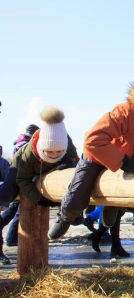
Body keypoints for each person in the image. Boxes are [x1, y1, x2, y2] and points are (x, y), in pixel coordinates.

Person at [48, 68, 134, 259]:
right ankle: (65, 218)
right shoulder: (125, 111)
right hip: (99, 158)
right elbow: (93, 140)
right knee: (75, 200)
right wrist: (122, 161)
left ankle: (114, 207)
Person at [0, 108, 78, 264]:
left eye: (58, 152)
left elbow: (77, 164)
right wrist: (40, 200)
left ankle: (74, 216)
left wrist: (68, 164)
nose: (54, 155)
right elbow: (23, 180)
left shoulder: (67, 144)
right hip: (22, 169)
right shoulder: (27, 154)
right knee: (7, 194)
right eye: (49, 152)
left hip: (48, 170)